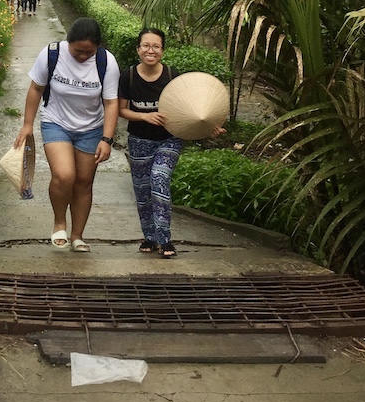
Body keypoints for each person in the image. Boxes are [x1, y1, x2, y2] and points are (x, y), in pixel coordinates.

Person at [14, 18, 119, 252]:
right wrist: (27, 124)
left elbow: (111, 103)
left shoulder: (106, 62)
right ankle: (59, 221)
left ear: (97, 48)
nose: (82, 56)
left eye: (88, 52)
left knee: (84, 182)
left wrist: (107, 139)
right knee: (64, 175)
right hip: (56, 122)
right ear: (67, 43)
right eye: (76, 51)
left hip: (91, 128)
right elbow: (35, 88)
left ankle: (78, 235)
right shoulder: (51, 54)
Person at [118, 28, 224, 258]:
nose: (150, 50)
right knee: (143, 191)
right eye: (145, 45)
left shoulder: (172, 76)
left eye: (156, 46)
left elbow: (191, 109)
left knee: (159, 177)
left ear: (163, 51)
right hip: (139, 141)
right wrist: (145, 116)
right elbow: (121, 110)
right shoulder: (128, 76)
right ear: (138, 49)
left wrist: (209, 127)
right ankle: (150, 237)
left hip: (169, 139)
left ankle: (165, 240)